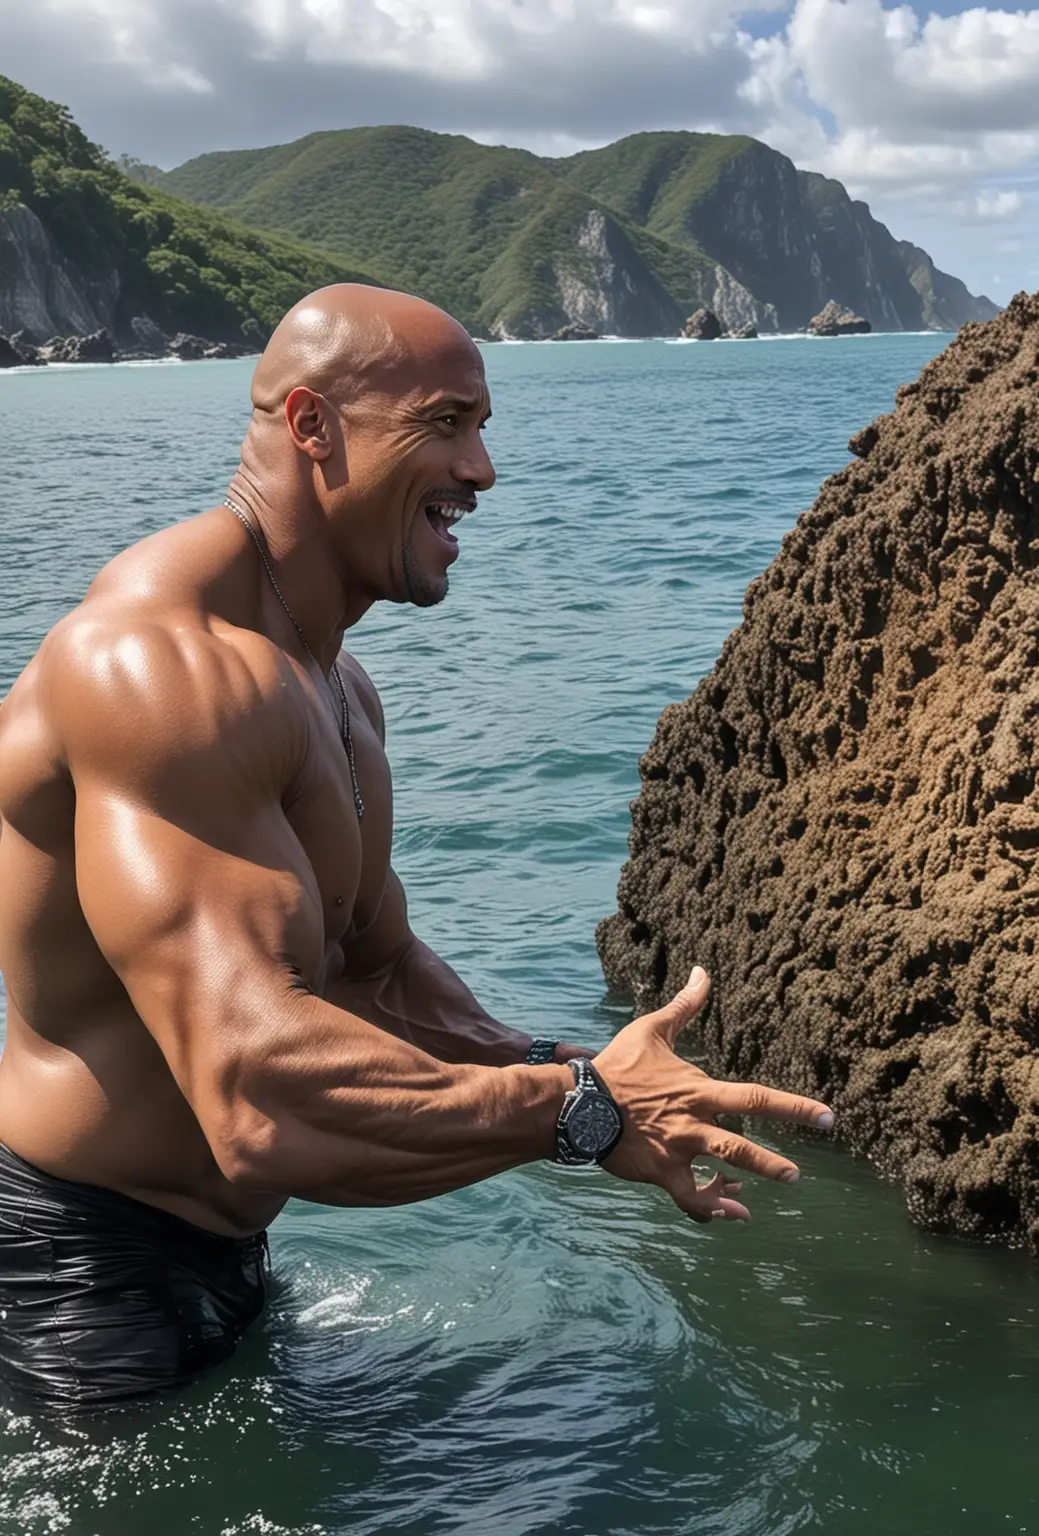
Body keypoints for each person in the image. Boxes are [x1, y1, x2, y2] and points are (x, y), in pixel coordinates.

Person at [0, 284, 834, 1408]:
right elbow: (255, 1099)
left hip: (225, 1259)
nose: (482, 470)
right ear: (313, 427)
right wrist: (577, 1113)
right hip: (73, 1277)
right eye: (446, 424)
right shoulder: (158, 671)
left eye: (483, 428)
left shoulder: (336, 688)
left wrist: (582, 1074)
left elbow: (376, 969)